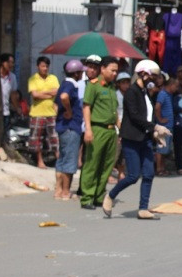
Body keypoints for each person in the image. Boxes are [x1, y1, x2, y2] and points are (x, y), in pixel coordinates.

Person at [103, 60, 171, 220]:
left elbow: (147, 116)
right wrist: (156, 127)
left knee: (148, 174)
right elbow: (135, 117)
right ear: (142, 73)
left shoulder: (145, 92)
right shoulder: (131, 92)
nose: (154, 79)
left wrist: (154, 135)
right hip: (131, 138)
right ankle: (110, 196)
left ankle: (143, 208)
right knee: (133, 176)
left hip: (145, 139)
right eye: (152, 75)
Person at [80, 56, 119, 210]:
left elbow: (114, 111)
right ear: (103, 69)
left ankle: (99, 195)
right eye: (112, 70)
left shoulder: (111, 88)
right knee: (92, 163)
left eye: (117, 71)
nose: (115, 73)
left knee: (107, 165)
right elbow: (86, 107)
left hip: (111, 131)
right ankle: (87, 197)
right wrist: (88, 129)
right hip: (97, 128)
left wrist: (120, 127)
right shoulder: (94, 85)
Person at [54, 59, 84, 200]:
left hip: (62, 126)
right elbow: (64, 97)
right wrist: (69, 111)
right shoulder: (70, 85)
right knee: (70, 160)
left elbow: (55, 105)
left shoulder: (63, 84)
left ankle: (58, 191)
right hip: (71, 127)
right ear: (77, 73)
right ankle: (65, 191)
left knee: (62, 159)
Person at [27, 55, 60, 169]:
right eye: (42, 66)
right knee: (37, 139)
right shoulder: (33, 79)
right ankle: (40, 161)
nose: (45, 68)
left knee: (54, 138)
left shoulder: (53, 78)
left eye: (46, 66)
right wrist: (49, 93)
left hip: (51, 113)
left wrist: (43, 94)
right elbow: (35, 95)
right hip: (37, 113)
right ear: (38, 66)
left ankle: (58, 160)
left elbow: (56, 92)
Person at [153, 77, 178, 176]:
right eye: (175, 86)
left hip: (168, 126)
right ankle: (159, 169)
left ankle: (162, 168)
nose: (176, 88)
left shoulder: (169, 95)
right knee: (161, 148)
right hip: (163, 126)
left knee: (165, 149)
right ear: (171, 85)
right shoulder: (163, 94)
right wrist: (160, 119)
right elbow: (157, 107)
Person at [0, 53, 17, 136]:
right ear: (3, 62)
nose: (11, 65)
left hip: (5, 111)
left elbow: (13, 94)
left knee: (4, 134)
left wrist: (17, 108)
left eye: (12, 63)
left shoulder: (12, 77)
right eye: (9, 62)